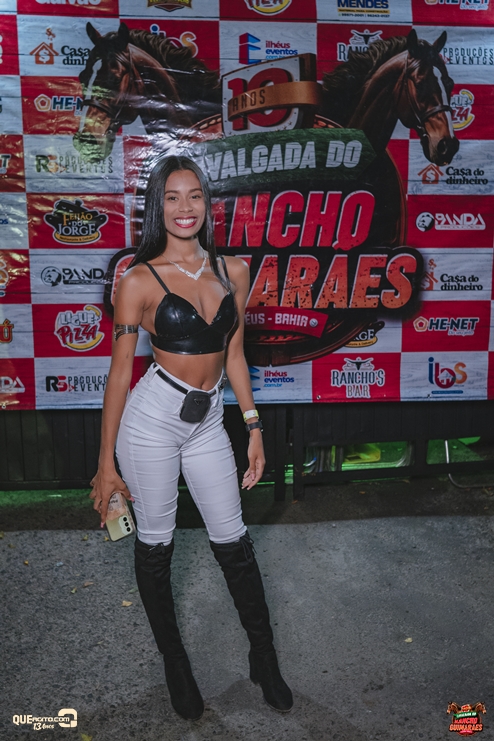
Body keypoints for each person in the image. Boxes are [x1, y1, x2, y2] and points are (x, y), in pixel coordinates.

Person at [89, 155, 293, 721]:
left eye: (195, 195)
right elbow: (119, 375)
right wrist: (106, 464)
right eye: (173, 197)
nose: (185, 208)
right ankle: (176, 665)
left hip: (208, 423)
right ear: (158, 205)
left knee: (234, 542)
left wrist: (252, 426)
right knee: (157, 547)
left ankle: (264, 659)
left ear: (208, 202)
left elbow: (235, 355)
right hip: (150, 425)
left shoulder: (234, 271)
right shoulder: (138, 279)